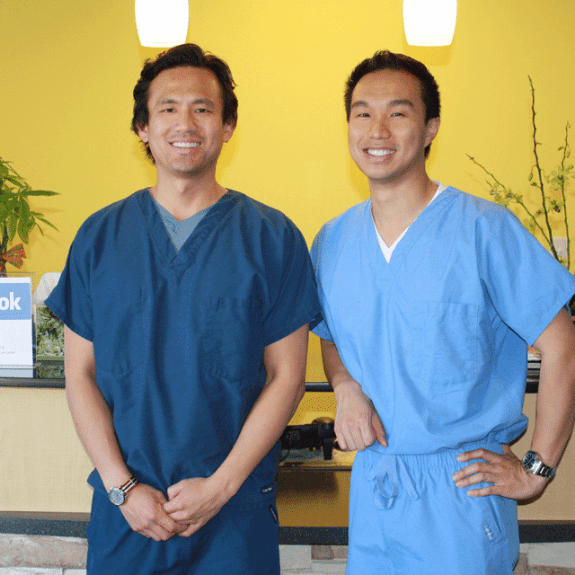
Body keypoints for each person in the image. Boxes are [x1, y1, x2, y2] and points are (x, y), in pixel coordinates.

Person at [46, 44, 321, 575]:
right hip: (129, 512)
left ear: (227, 125)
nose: (185, 122)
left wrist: (220, 487)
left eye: (203, 107)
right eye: (167, 108)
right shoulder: (99, 237)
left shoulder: (272, 238)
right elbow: (79, 374)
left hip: (233, 515)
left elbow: (287, 377)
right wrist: (123, 488)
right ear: (143, 128)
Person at [310, 50, 575, 575]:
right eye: (362, 113)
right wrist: (345, 388)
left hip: (460, 491)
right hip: (375, 487)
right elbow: (330, 334)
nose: (377, 129)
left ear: (430, 128)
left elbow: (562, 343)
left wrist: (536, 469)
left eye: (398, 113)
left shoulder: (483, 229)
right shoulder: (333, 240)